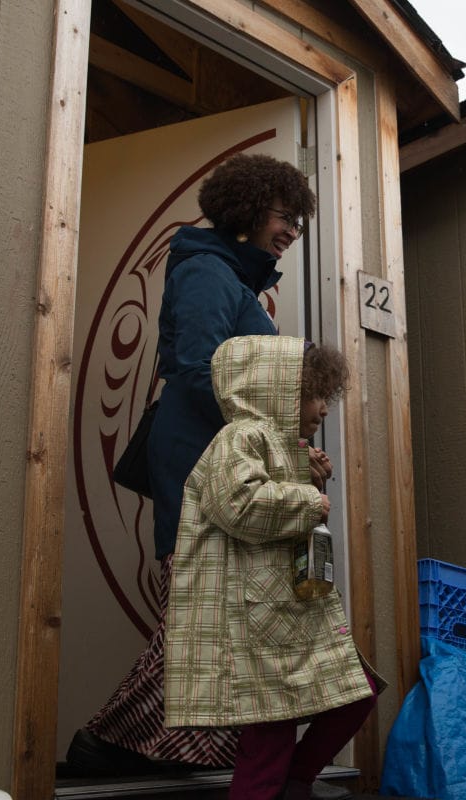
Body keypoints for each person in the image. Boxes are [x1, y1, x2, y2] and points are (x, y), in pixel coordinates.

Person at [68, 153, 323, 774]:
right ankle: (109, 744)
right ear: (248, 208)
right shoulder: (208, 271)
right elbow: (200, 368)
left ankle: (146, 749)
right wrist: (284, 435)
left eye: (299, 221)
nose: (292, 230)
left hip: (220, 457)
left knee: (213, 617)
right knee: (205, 613)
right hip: (200, 461)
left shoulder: (236, 280)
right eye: (284, 215)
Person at [164, 335, 382, 800]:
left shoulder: (278, 443)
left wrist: (304, 470)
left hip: (287, 610)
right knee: (268, 738)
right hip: (259, 617)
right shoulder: (240, 436)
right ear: (280, 389)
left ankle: (295, 783)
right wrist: (307, 497)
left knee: (356, 693)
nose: (324, 409)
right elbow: (237, 503)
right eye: (316, 395)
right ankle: (285, 785)